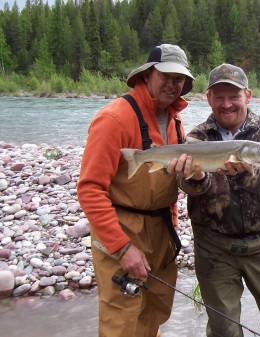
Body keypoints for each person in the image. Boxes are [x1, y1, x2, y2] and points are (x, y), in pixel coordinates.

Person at [168, 63, 260, 337]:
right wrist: (197, 178)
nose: (226, 104)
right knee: (223, 331)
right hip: (214, 246)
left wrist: (243, 173)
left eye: (234, 96)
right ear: (209, 98)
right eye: (219, 97)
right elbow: (188, 186)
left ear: (248, 96)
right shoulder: (196, 137)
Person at [77, 43, 194, 337]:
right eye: (165, 75)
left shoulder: (176, 120)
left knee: (155, 308)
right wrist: (122, 247)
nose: (172, 84)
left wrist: (174, 221)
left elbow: (169, 181)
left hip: (162, 229)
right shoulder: (113, 118)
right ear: (147, 75)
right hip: (122, 228)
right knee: (122, 317)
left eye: (178, 78)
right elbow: (90, 189)